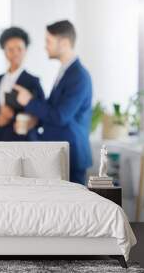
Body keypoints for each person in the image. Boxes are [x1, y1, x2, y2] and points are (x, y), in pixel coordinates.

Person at [13, 20, 92, 185]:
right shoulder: (65, 72)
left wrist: (29, 101)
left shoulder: (78, 76)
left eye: (49, 41)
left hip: (71, 155)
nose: (45, 46)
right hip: (60, 153)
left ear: (63, 43)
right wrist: (34, 120)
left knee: (72, 208)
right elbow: (54, 109)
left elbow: (60, 116)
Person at [0, 27, 44, 141]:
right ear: (4, 51)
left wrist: (31, 122)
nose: (15, 53)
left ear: (25, 50)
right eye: (10, 49)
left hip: (25, 140)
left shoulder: (33, 81)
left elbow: (43, 114)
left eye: (19, 49)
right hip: (0, 139)